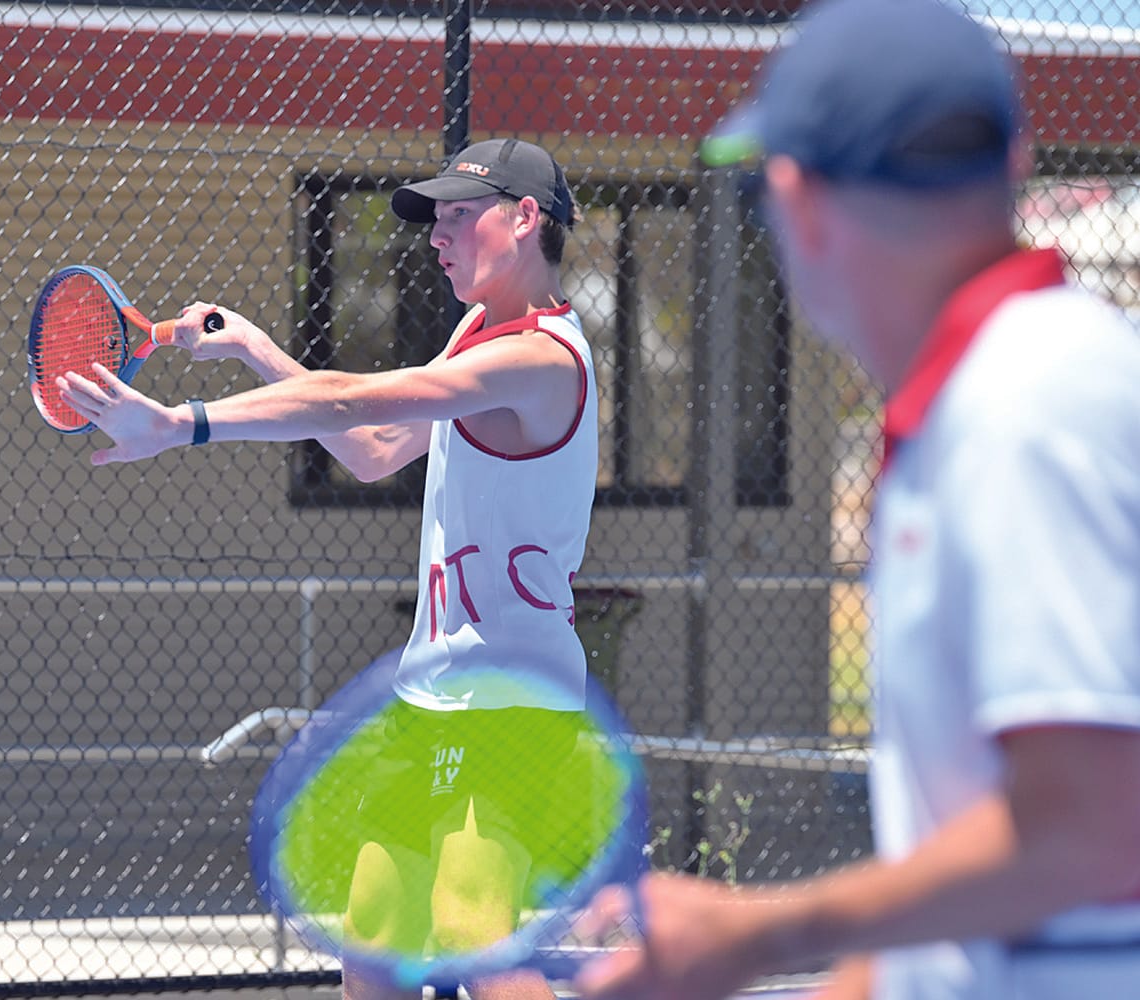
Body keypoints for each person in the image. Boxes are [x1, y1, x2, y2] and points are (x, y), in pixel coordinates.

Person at [574, 1, 1140, 999]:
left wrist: (755, 933)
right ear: (1014, 162)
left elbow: (1095, 824)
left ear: (795, 198)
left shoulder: (1023, 408)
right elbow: (959, 882)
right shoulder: (1003, 394)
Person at [57, 138, 599, 1000]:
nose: (437, 236)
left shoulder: (541, 359)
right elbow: (374, 446)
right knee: (375, 943)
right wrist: (255, 348)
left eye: (460, 216)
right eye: (436, 220)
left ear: (526, 218)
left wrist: (179, 425)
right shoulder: (474, 332)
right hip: (431, 694)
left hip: (513, 703)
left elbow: (350, 398)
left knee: (473, 932)